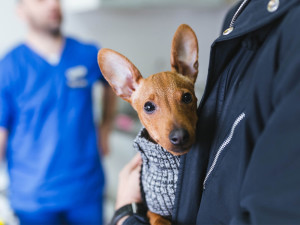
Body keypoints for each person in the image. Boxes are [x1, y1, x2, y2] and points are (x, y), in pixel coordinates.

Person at [113, 0, 300, 224]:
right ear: (126, 89)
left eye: (185, 98)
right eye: (150, 107)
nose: (177, 131)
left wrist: (125, 214)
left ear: (190, 69)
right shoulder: (237, 16)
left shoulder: (288, 31)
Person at [0, 0, 116, 224]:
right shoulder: (8, 67)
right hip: (34, 198)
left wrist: (106, 127)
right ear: (21, 12)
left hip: (86, 190)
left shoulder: (88, 53)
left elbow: (112, 84)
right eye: (40, 0)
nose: (53, 4)